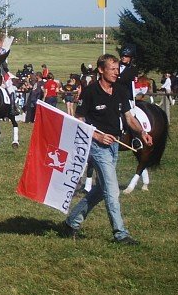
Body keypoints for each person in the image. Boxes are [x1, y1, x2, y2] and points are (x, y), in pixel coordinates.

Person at [60, 53, 150, 245]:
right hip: (97, 147)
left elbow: (129, 118)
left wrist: (142, 132)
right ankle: (120, 234)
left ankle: (71, 222)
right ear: (101, 70)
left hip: (114, 145)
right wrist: (98, 136)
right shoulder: (90, 92)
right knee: (112, 189)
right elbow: (79, 120)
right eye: (112, 69)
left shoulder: (120, 91)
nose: (116, 73)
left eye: (117, 69)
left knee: (102, 189)